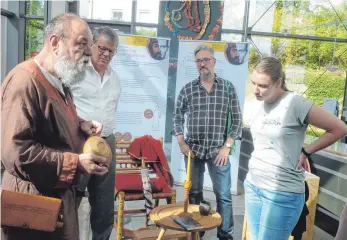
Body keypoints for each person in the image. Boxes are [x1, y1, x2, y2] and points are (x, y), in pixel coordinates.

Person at [1, 13, 109, 240]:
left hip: (54, 202)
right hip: (32, 207)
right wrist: (75, 162)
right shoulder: (24, 82)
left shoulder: (58, 81)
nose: (89, 53)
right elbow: (15, 152)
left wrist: (82, 125)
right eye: (81, 44)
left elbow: (49, 123)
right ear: (54, 43)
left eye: (89, 45)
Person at [244, 57, 347, 240]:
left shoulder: (295, 103)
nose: (256, 90)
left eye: (263, 85)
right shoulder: (257, 103)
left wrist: (307, 151)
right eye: (253, 83)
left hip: (281, 191)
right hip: (254, 184)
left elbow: (339, 128)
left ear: (278, 83)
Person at [173, 45, 242, 240]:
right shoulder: (188, 89)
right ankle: (197, 232)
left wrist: (227, 147)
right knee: (194, 194)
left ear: (213, 61)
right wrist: (181, 143)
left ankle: (225, 235)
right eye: (199, 61)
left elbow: (237, 120)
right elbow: (177, 117)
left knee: (224, 196)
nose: (202, 64)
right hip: (192, 151)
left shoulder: (227, 88)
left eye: (206, 60)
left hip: (218, 151)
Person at [70, 26, 121, 240]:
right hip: (79, 141)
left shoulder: (115, 78)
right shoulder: (76, 72)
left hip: (106, 143)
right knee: (72, 196)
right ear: (92, 45)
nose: (106, 54)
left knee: (104, 203)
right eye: (102, 48)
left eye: (111, 50)